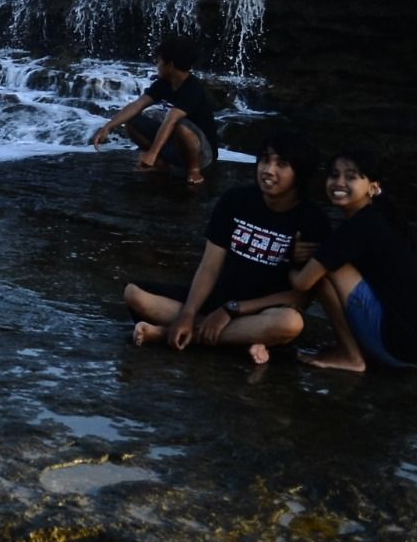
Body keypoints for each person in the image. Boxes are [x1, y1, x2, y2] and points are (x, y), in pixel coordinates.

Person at [122, 127, 329, 365]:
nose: (268, 170)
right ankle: (240, 339)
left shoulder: (312, 221)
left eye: (281, 164)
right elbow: (209, 267)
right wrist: (188, 314)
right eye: (265, 160)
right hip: (217, 299)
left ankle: (172, 335)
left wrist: (232, 310)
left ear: (300, 173)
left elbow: (301, 297)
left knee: (290, 323)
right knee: (134, 294)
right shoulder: (236, 201)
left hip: (263, 311)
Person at [288, 148, 417, 371]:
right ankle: (358, 350)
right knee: (324, 261)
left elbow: (302, 283)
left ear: (373, 187)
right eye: (334, 175)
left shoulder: (358, 228)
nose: (339, 183)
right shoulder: (379, 217)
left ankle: (350, 356)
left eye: (351, 177)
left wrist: (290, 262)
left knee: (322, 273)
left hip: (397, 344)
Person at [92, 36, 219, 185]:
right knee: (132, 121)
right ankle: (160, 162)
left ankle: (193, 170)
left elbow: (171, 120)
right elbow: (138, 104)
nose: (157, 65)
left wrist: (151, 153)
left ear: (170, 65)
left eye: (159, 61)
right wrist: (108, 127)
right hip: (177, 146)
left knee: (180, 125)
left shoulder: (193, 89)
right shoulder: (164, 83)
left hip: (203, 153)